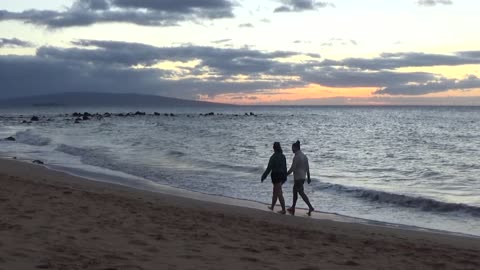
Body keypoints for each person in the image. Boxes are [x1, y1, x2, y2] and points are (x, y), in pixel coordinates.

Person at [287, 140, 314, 216]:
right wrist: (308, 177)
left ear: (296, 148)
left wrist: (286, 174)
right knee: (295, 191)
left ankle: (310, 207)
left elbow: (292, 168)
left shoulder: (296, 157)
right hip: (303, 177)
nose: (292, 149)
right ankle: (293, 207)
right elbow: (307, 168)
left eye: (292, 148)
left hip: (298, 177)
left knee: (301, 193)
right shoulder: (304, 156)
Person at [261, 142, 287, 214]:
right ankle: (272, 207)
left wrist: (264, 176)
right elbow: (285, 168)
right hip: (281, 176)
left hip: (276, 177)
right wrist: (285, 177)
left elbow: (269, 168)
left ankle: (283, 210)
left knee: (278, 193)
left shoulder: (273, 157)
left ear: (274, 148)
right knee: (276, 192)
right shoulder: (283, 156)